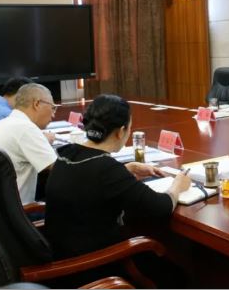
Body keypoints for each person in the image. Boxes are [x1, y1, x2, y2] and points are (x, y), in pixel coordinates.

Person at [45, 94, 191, 260]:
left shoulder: (67, 153)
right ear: (121, 132)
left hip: (62, 251)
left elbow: (87, 178)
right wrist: (178, 185)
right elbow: (161, 207)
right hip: (92, 264)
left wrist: (125, 169)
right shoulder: (107, 168)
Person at [0, 83, 57, 204]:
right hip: (20, 211)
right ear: (37, 104)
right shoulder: (26, 128)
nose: (53, 114)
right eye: (53, 108)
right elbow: (58, 169)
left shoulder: (4, 123)